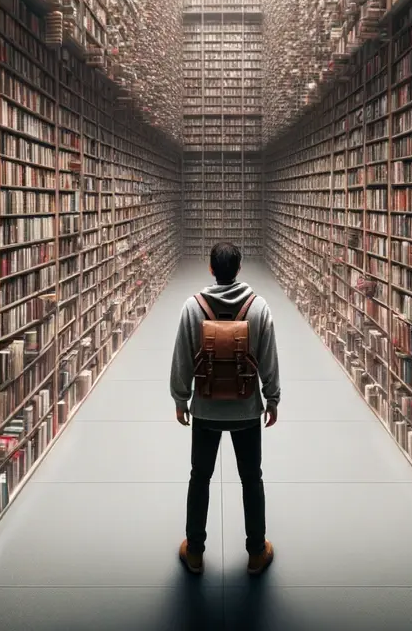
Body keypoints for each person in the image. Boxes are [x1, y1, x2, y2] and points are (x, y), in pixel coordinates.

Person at [170, 241, 280, 576]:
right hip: (247, 411)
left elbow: (182, 359)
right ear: (240, 268)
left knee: (199, 477)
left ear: (211, 269)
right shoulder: (258, 308)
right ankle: (257, 552)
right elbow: (268, 359)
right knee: (251, 478)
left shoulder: (193, 307)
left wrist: (180, 399)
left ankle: (195, 552)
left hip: (205, 409)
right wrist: (272, 398)